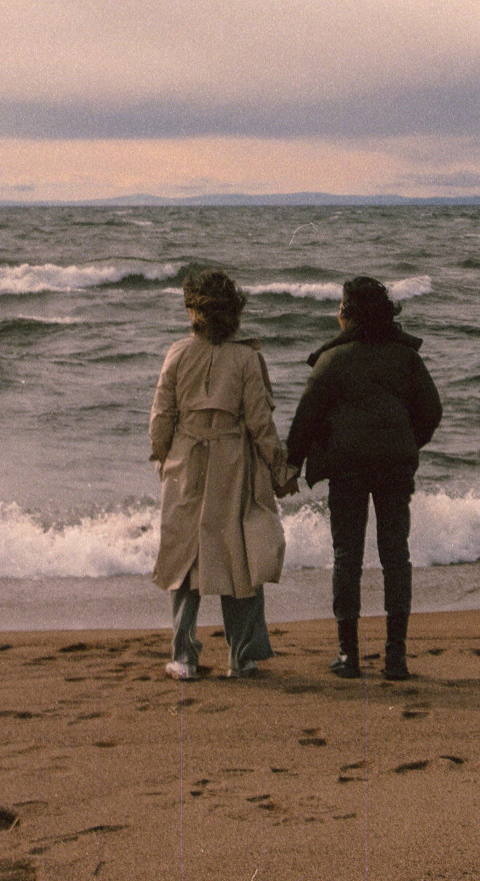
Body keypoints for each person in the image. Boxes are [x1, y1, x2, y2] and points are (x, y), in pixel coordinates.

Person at [286, 275, 441, 681]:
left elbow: (305, 419)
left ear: (350, 315)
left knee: (346, 558)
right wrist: (408, 442)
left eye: (340, 306)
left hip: (347, 467)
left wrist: (291, 463)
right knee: (396, 557)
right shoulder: (406, 358)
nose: (336, 312)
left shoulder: (332, 361)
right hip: (394, 466)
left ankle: (348, 655)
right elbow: (431, 410)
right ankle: (395, 657)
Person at [148, 268, 297, 680]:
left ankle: (183, 657)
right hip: (233, 463)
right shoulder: (248, 358)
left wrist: (162, 457)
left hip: (185, 461)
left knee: (185, 558)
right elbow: (260, 423)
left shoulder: (176, 354)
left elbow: (161, 418)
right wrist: (279, 468)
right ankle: (244, 655)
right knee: (240, 556)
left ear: (195, 312)